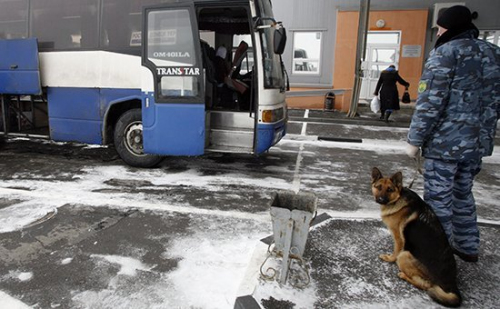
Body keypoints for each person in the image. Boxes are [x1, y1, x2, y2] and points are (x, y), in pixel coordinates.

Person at [406, 5, 500, 262]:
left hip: (444, 146)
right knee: (463, 195)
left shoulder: (444, 54)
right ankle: (467, 246)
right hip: (477, 146)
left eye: (440, 27)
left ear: (449, 28)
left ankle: (437, 257)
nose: (437, 32)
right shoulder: (494, 54)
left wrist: (415, 140)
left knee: (437, 202)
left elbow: (430, 103)